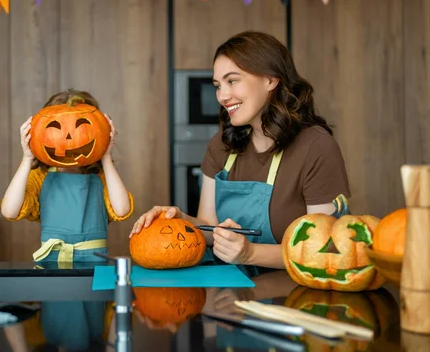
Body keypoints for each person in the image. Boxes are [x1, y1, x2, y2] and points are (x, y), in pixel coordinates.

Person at [130, 31, 350, 273]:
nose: (222, 96)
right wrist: (180, 219)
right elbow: (211, 230)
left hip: (292, 297)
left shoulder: (315, 147)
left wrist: (251, 253)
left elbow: (327, 248)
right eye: (217, 86)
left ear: (270, 80)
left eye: (232, 81)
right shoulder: (221, 146)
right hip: (229, 298)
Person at [1, 90, 134, 264]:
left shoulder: (102, 176)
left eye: (82, 128)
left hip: (94, 267)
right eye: (56, 129)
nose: (69, 139)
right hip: (51, 266)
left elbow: (122, 210)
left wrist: (106, 156)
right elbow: (10, 211)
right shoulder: (40, 177)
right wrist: (27, 158)